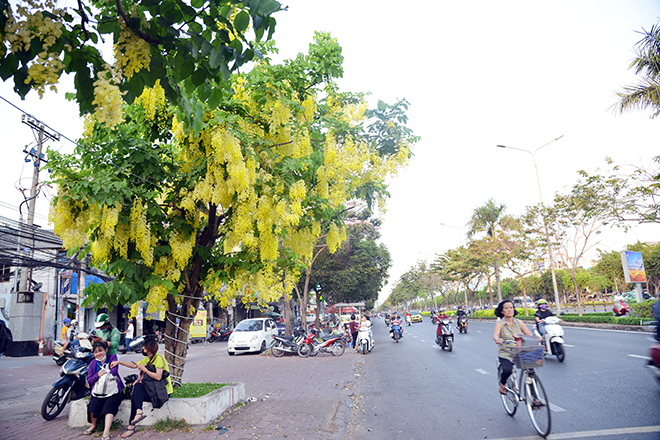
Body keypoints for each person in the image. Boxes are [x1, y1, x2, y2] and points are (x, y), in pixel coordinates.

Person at [111, 338, 173, 438]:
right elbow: (135, 365)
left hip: (162, 393)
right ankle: (138, 412)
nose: (142, 350)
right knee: (137, 389)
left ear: (149, 349)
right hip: (153, 389)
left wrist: (145, 370)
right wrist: (119, 362)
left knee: (136, 395)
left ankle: (131, 426)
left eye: (144, 348)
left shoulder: (159, 359)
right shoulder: (148, 358)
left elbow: (158, 376)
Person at [493, 299, 537, 396]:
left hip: (520, 351)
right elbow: (495, 335)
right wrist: (498, 339)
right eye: (506, 308)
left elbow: (529, 335)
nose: (509, 310)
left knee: (531, 372)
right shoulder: (500, 324)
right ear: (502, 311)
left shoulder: (519, 322)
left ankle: (534, 398)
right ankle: (502, 385)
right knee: (507, 370)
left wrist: (537, 339)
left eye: (511, 308)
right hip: (506, 353)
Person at [85, 340, 124, 440]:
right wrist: (97, 375)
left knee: (109, 407)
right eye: (96, 352)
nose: (98, 354)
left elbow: (114, 372)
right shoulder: (93, 364)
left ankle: (106, 431)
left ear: (106, 350)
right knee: (92, 407)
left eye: (101, 350)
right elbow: (89, 380)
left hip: (113, 390)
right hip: (98, 391)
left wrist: (106, 370)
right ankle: (93, 425)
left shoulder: (112, 358)